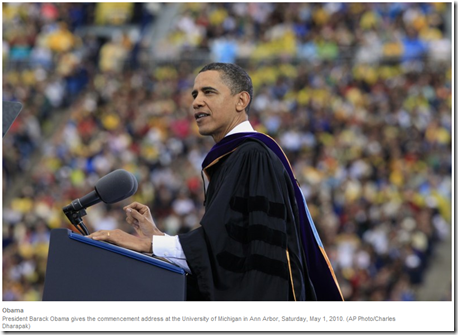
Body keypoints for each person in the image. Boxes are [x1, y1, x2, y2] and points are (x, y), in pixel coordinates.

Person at [88, 63, 343, 301]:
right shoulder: (232, 159)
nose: (197, 102)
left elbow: (243, 257)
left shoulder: (253, 156)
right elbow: (228, 253)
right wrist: (158, 237)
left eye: (209, 92)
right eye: (194, 94)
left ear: (241, 101)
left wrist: (150, 244)